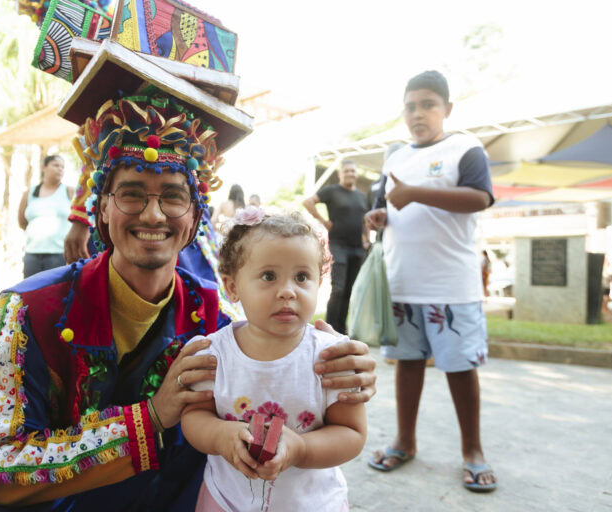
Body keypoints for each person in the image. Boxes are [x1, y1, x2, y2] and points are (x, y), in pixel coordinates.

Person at [0, 93, 378, 512]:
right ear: (102, 209)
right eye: (132, 195)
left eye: (173, 199)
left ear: (195, 219)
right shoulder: (32, 307)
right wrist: (152, 415)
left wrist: (336, 355)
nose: (153, 215)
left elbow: (278, 346)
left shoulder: (211, 313)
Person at [364, 70, 497, 492]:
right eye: (410, 106)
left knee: (460, 369)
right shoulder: (394, 156)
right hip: (402, 282)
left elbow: (479, 198)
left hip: (451, 285)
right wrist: (378, 216)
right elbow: (385, 207)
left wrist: (418, 192)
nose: (417, 114)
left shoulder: (466, 148)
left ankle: (472, 452)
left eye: (427, 105)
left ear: (447, 109)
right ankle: (405, 441)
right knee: (406, 363)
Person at [182, 209, 366, 511]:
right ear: (232, 287)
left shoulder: (332, 357)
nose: (287, 291)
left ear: (319, 283)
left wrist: (301, 448)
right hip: (227, 500)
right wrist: (219, 436)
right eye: (269, 276)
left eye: (302, 277)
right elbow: (193, 416)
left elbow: (352, 432)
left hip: (311, 503)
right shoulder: (212, 354)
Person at [303, 160, 369, 334]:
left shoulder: (361, 196)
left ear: (356, 174)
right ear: (340, 174)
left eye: (353, 171)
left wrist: (366, 238)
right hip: (338, 245)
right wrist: (323, 221)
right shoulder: (332, 191)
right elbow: (308, 202)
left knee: (349, 289)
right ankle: (329, 328)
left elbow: (365, 220)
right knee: (338, 288)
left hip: (357, 248)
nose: (350, 174)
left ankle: (341, 329)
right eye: (346, 171)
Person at [17, 155, 74, 278]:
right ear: (44, 167)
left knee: (57, 295)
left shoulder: (69, 191)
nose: (60, 169)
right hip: (32, 255)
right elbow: (22, 221)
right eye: (56, 165)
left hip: (59, 254)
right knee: (31, 293)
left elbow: (79, 220)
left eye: (63, 167)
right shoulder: (29, 193)